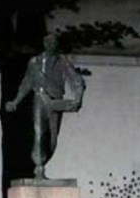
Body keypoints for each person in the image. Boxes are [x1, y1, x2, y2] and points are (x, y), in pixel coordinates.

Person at [5, 34, 86, 180]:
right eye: (48, 41)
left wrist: (78, 98)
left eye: (54, 42)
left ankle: (44, 160)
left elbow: (76, 80)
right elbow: (26, 83)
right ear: (44, 43)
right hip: (40, 98)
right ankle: (38, 168)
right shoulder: (34, 62)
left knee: (52, 137)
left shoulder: (62, 62)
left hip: (55, 101)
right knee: (39, 133)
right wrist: (16, 101)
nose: (50, 44)